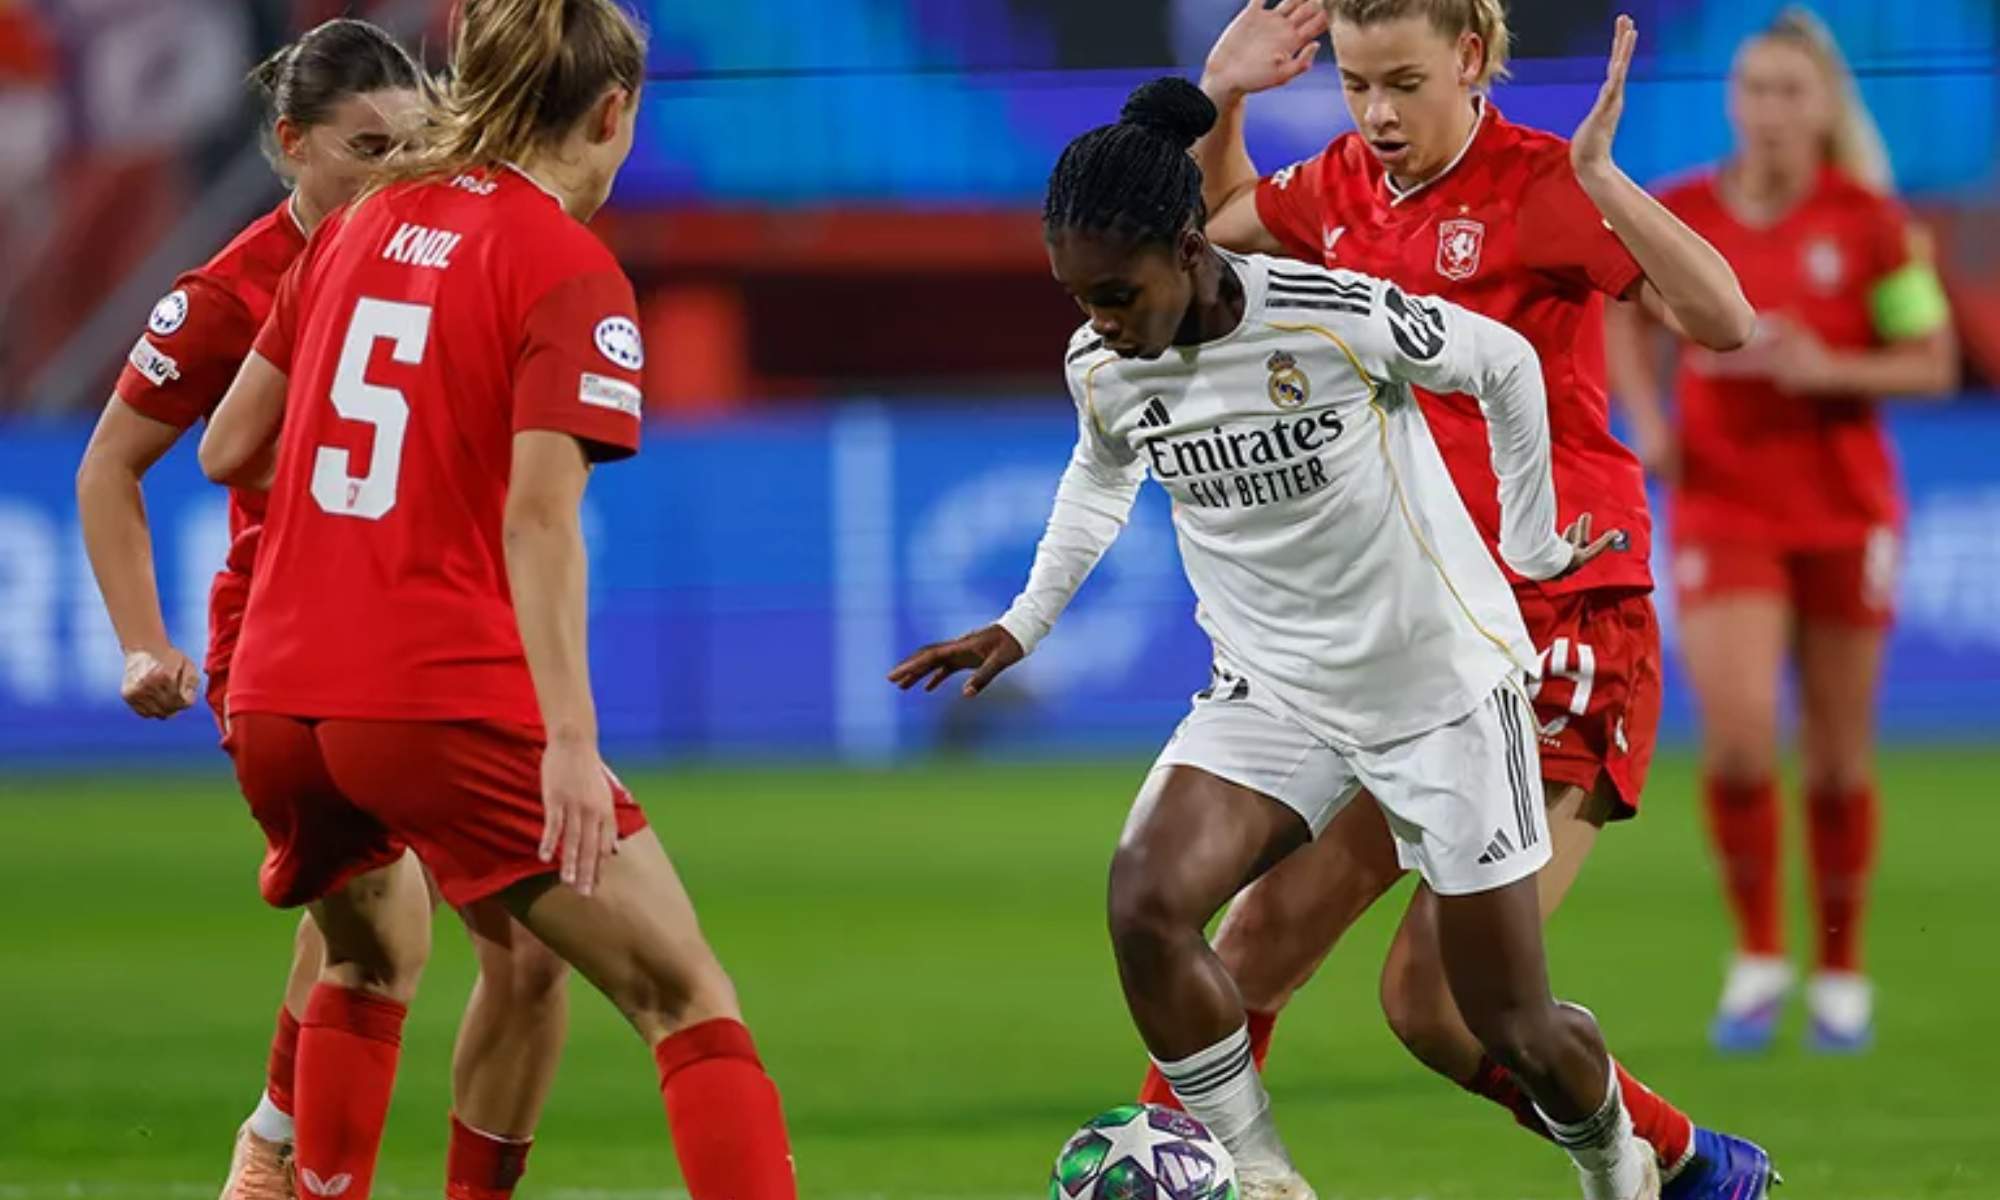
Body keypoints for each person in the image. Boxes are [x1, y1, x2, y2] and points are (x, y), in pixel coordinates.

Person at [896, 77, 1667, 1200]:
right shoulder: (1105, 363)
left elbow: (1501, 363)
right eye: (1077, 299)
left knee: (1504, 1019)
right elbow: (1097, 474)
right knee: (1145, 902)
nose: (1098, 322)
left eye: (1115, 292)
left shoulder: (1330, 314)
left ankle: (1611, 1156)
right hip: (1275, 691)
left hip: (1439, 690)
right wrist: (1024, 622)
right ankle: (1256, 1175)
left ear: (1186, 247)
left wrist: (1533, 537)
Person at [1123, 3, 1777, 1195]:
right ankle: (1200, 1176)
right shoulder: (1333, 186)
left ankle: (1674, 1164)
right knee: (1254, 939)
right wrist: (1224, 99)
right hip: (1410, 635)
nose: (1373, 114)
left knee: (1437, 1007)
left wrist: (1602, 182)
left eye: (1401, 84)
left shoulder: (1538, 185)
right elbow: (1206, 253)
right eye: (1356, 83)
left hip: (1558, 621)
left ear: (1470, 61)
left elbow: (1724, 322)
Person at [195, 1, 796, 1197]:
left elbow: (229, 447)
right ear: (612, 111)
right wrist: (568, 742)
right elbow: (538, 519)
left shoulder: (363, 218)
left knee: (379, 970)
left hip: (278, 698)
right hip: (433, 701)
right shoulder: (568, 268)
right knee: (683, 998)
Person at [74, 21, 572, 1200]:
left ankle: (282, 1144)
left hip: (409, 632)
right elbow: (109, 469)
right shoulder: (230, 293)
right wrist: (143, 640)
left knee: (410, 931)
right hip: (284, 639)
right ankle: (287, 1155)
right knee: (387, 934)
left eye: (411, 147)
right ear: (290, 146)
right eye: (362, 147)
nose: (390, 173)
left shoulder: (426, 248)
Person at [1606, 7, 1956, 1056]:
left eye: (1788, 91)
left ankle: (1839, 973)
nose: (1767, 110)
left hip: (1844, 511)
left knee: (1839, 764)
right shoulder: (1683, 213)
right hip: (1723, 505)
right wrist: (1650, 416)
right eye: (1752, 89)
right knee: (1742, 737)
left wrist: (1826, 368)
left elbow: (1931, 362)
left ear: (1822, 107)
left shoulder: (1874, 225)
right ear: (1731, 101)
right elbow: (1621, 308)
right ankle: (1758, 955)